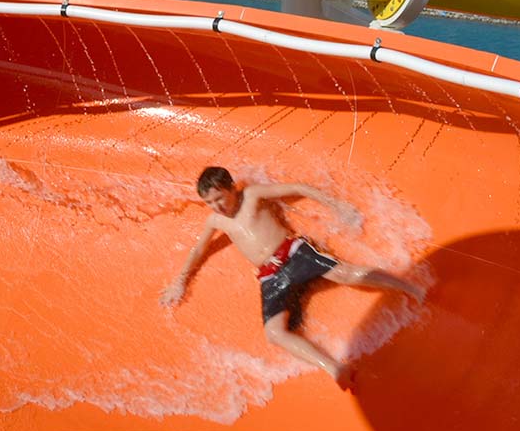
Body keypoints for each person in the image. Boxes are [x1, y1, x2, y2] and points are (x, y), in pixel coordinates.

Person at [160, 166, 424, 392]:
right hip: (270, 275)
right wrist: (181, 280)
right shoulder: (216, 221)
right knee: (274, 333)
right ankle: (335, 368)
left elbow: (299, 188)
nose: (217, 206)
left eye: (219, 198)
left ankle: (409, 287)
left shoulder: (252, 195)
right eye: (209, 202)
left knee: (343, 274)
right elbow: (199, 249)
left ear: (231, 188)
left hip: (294, 253)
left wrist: (337, 206)